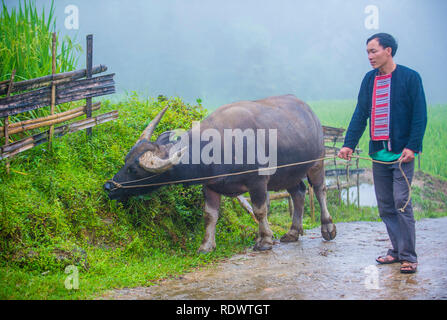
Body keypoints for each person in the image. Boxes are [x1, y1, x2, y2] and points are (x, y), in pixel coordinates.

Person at [338, 33, 427, 274]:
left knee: (401, 203)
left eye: (373, 51)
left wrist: (412, 146)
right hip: (379, 155)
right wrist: (349, 144)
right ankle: (397, 250)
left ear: (388, 50)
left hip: (401, 156)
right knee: (386, 205)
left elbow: (420, 116)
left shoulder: (410, 78)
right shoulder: (369, 80)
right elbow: (360, 114)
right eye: (367, 52)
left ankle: (409, 256)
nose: (369, 56)